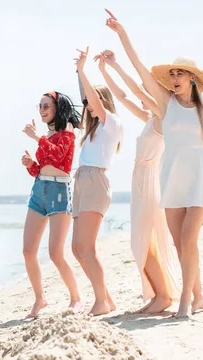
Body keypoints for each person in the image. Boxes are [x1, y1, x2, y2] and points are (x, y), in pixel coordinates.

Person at [104, 9, 203, 317]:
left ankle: (185, 300)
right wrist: (121, 33)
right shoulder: (165, 104)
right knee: (180, 244)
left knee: (188, 238)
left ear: (193, 80)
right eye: (171, 74)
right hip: (171, 177)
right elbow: (139, 69)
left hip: (199, 176)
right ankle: (199, 297)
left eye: (179, 74)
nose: (173, 78)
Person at [95, 49, 181, 313]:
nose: (143, 96)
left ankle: (163, 295)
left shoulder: (164, 119)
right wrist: (104, 71)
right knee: (144, 240)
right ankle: (159, 294)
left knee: (141, 241)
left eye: (149, 92)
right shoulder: (149, 120)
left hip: (150, 181)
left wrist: (119, 65)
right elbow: (122, 96)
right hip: (141, 180)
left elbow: (138, 92)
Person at [21, 91, 82, 318]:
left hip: (59, 192)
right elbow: (43, 167)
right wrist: (30, 164)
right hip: (39, 189)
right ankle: (40, 299)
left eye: (46, 106)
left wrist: (37, 138)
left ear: (58, 107)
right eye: (40, 106)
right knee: (28, 251)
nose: (42, 109)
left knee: (56, 253)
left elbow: (59, 157)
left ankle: (75, 298)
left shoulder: (67, 131)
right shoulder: (49, 134)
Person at [73, 47, 124, 316]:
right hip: (82, 181)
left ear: (101, 101)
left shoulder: (111, 123)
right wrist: (78, 72)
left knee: (87, 248)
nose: (87, 104)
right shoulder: (91, 131)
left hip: (95, 182)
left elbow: (93, 97)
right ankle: (106, 298)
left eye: (91, 100)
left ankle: (101, 301)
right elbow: (87, 96)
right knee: (76, 248)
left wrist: (84, 70)